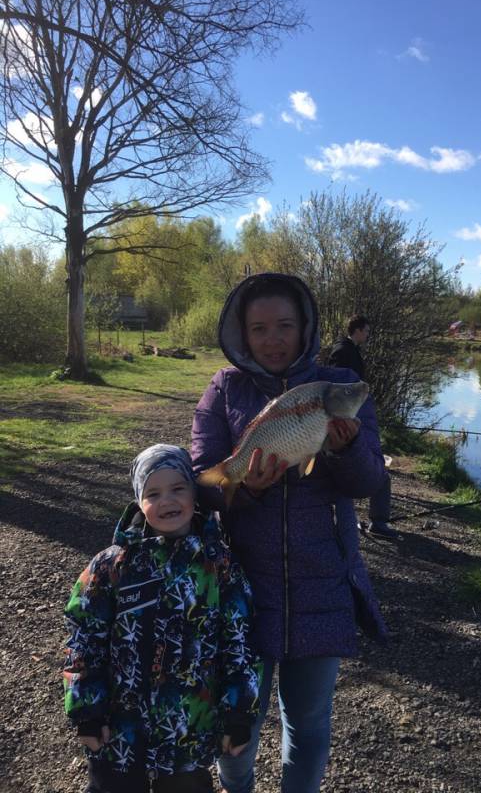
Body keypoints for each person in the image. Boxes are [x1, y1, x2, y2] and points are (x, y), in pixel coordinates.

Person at [191, 273, 388, 793]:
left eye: (284, 325)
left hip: (323, 580)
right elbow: (202, 483)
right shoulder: (224, 388)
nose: (273, 339)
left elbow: (370, 481)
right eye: (259, 328)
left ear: (305, 328)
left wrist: (343, 449)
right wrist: (245, 487)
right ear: (243, 333)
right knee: (239, 721)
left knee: (309, 723)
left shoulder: (338, 386)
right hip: (241, 588)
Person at [63, 444, 261, 793]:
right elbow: (85, 637)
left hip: (187, 732)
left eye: (178, 488)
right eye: (153, 493)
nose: (167, 500)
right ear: (139, 501)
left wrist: (239, 711)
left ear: (194, 494)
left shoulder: (219, 565)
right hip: (120, 733)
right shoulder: (112, 566)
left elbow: (240, 641)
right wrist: (88, 711)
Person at [328, 314, 398, 540]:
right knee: (378, 473)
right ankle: (378, 522)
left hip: (356, 416)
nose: (368, 335)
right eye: (366, 331)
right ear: (356, 330)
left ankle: (369, 520)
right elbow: (337, 390)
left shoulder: (350, 349)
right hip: (348, 419)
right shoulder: (342, 352)